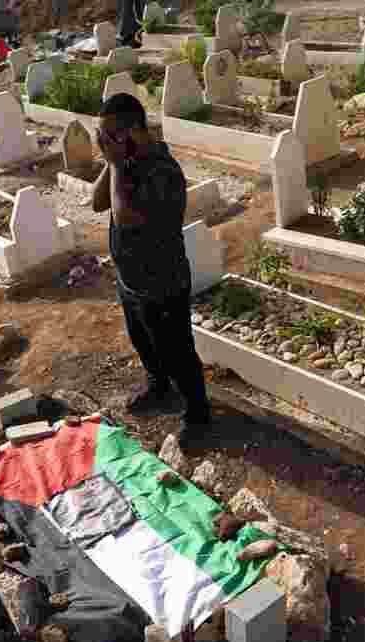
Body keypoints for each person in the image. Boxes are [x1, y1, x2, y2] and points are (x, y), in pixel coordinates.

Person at [92, 93, 212, 446]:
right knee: (144, 342)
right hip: (131, 281)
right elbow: (99, 203)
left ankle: (198, 413)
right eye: (102, 136)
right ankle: (158, 387)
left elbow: (125, 218)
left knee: (178, 352)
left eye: (110, 135)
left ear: (134, 131)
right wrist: (110, 160)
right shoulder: (125, 162)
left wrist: (115, 164)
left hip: (163, 282)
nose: (105, 144)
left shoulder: (163, 170)